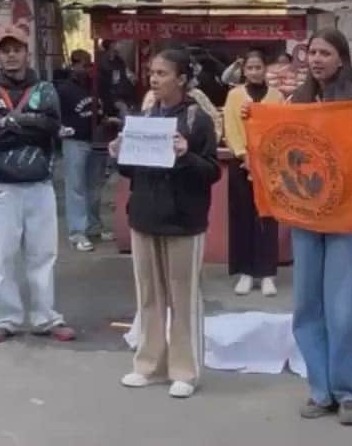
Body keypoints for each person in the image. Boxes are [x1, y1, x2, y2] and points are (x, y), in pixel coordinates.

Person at [243, 28, 352, 425]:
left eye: (324, 52)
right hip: (305, 216)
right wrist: (253, 121)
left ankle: (350, 393)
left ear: (341, 57)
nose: (316, 59)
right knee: (307, 305)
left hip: (348, 216)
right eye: (311, 53)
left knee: (346, 308)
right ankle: (320, 390)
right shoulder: (295, 101)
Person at [113, 49, 221, 399]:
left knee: (183, 298)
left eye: (162, 73)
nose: (154, 79)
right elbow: (132, 171)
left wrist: (185, 155)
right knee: (149, 296)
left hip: (183, 222)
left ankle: (185, 371)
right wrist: (120, 153)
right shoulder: (145, 117)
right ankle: (148, 365)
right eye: (152, 73)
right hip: (144, 216)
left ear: (182, 79)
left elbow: (211, 172)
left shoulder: (197, 120)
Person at [0, 27, 75, 344]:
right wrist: (32, 123)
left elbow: (52, 128)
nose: (11, 55)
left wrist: (12, 122)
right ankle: (5, 318)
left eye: (17, 49)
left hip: (39, 184)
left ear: (26, 52)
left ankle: (46, 317)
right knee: (0, 257)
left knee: (42, 254)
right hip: (1, 185)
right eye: (5, 50)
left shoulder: (45, 90)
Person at [222, 49, 284, 296]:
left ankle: (267, 273)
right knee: (243, 217)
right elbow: (231, 127)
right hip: (241, 165)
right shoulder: (234, 95)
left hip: (269, 165)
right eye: (250, 68)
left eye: (259, 67)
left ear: (265, 69)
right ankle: (246, 272)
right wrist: (243, 155)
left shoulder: (277, 96)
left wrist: (265, 158)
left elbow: (281, 129)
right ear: (244, 70)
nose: (255, 72)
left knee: (267, 219)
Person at [55, 49, 107, 253]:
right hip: (74, 141)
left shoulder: (94, 87)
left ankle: (93, 225)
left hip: (95, 141)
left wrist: (107, 120)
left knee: (94, 188)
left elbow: (102, 111)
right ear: (73, 65)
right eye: (81, 65)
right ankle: (77, 232)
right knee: (76, 187)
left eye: (88, 65)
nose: (85, 69)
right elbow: (56, 114)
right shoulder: (65, 90)